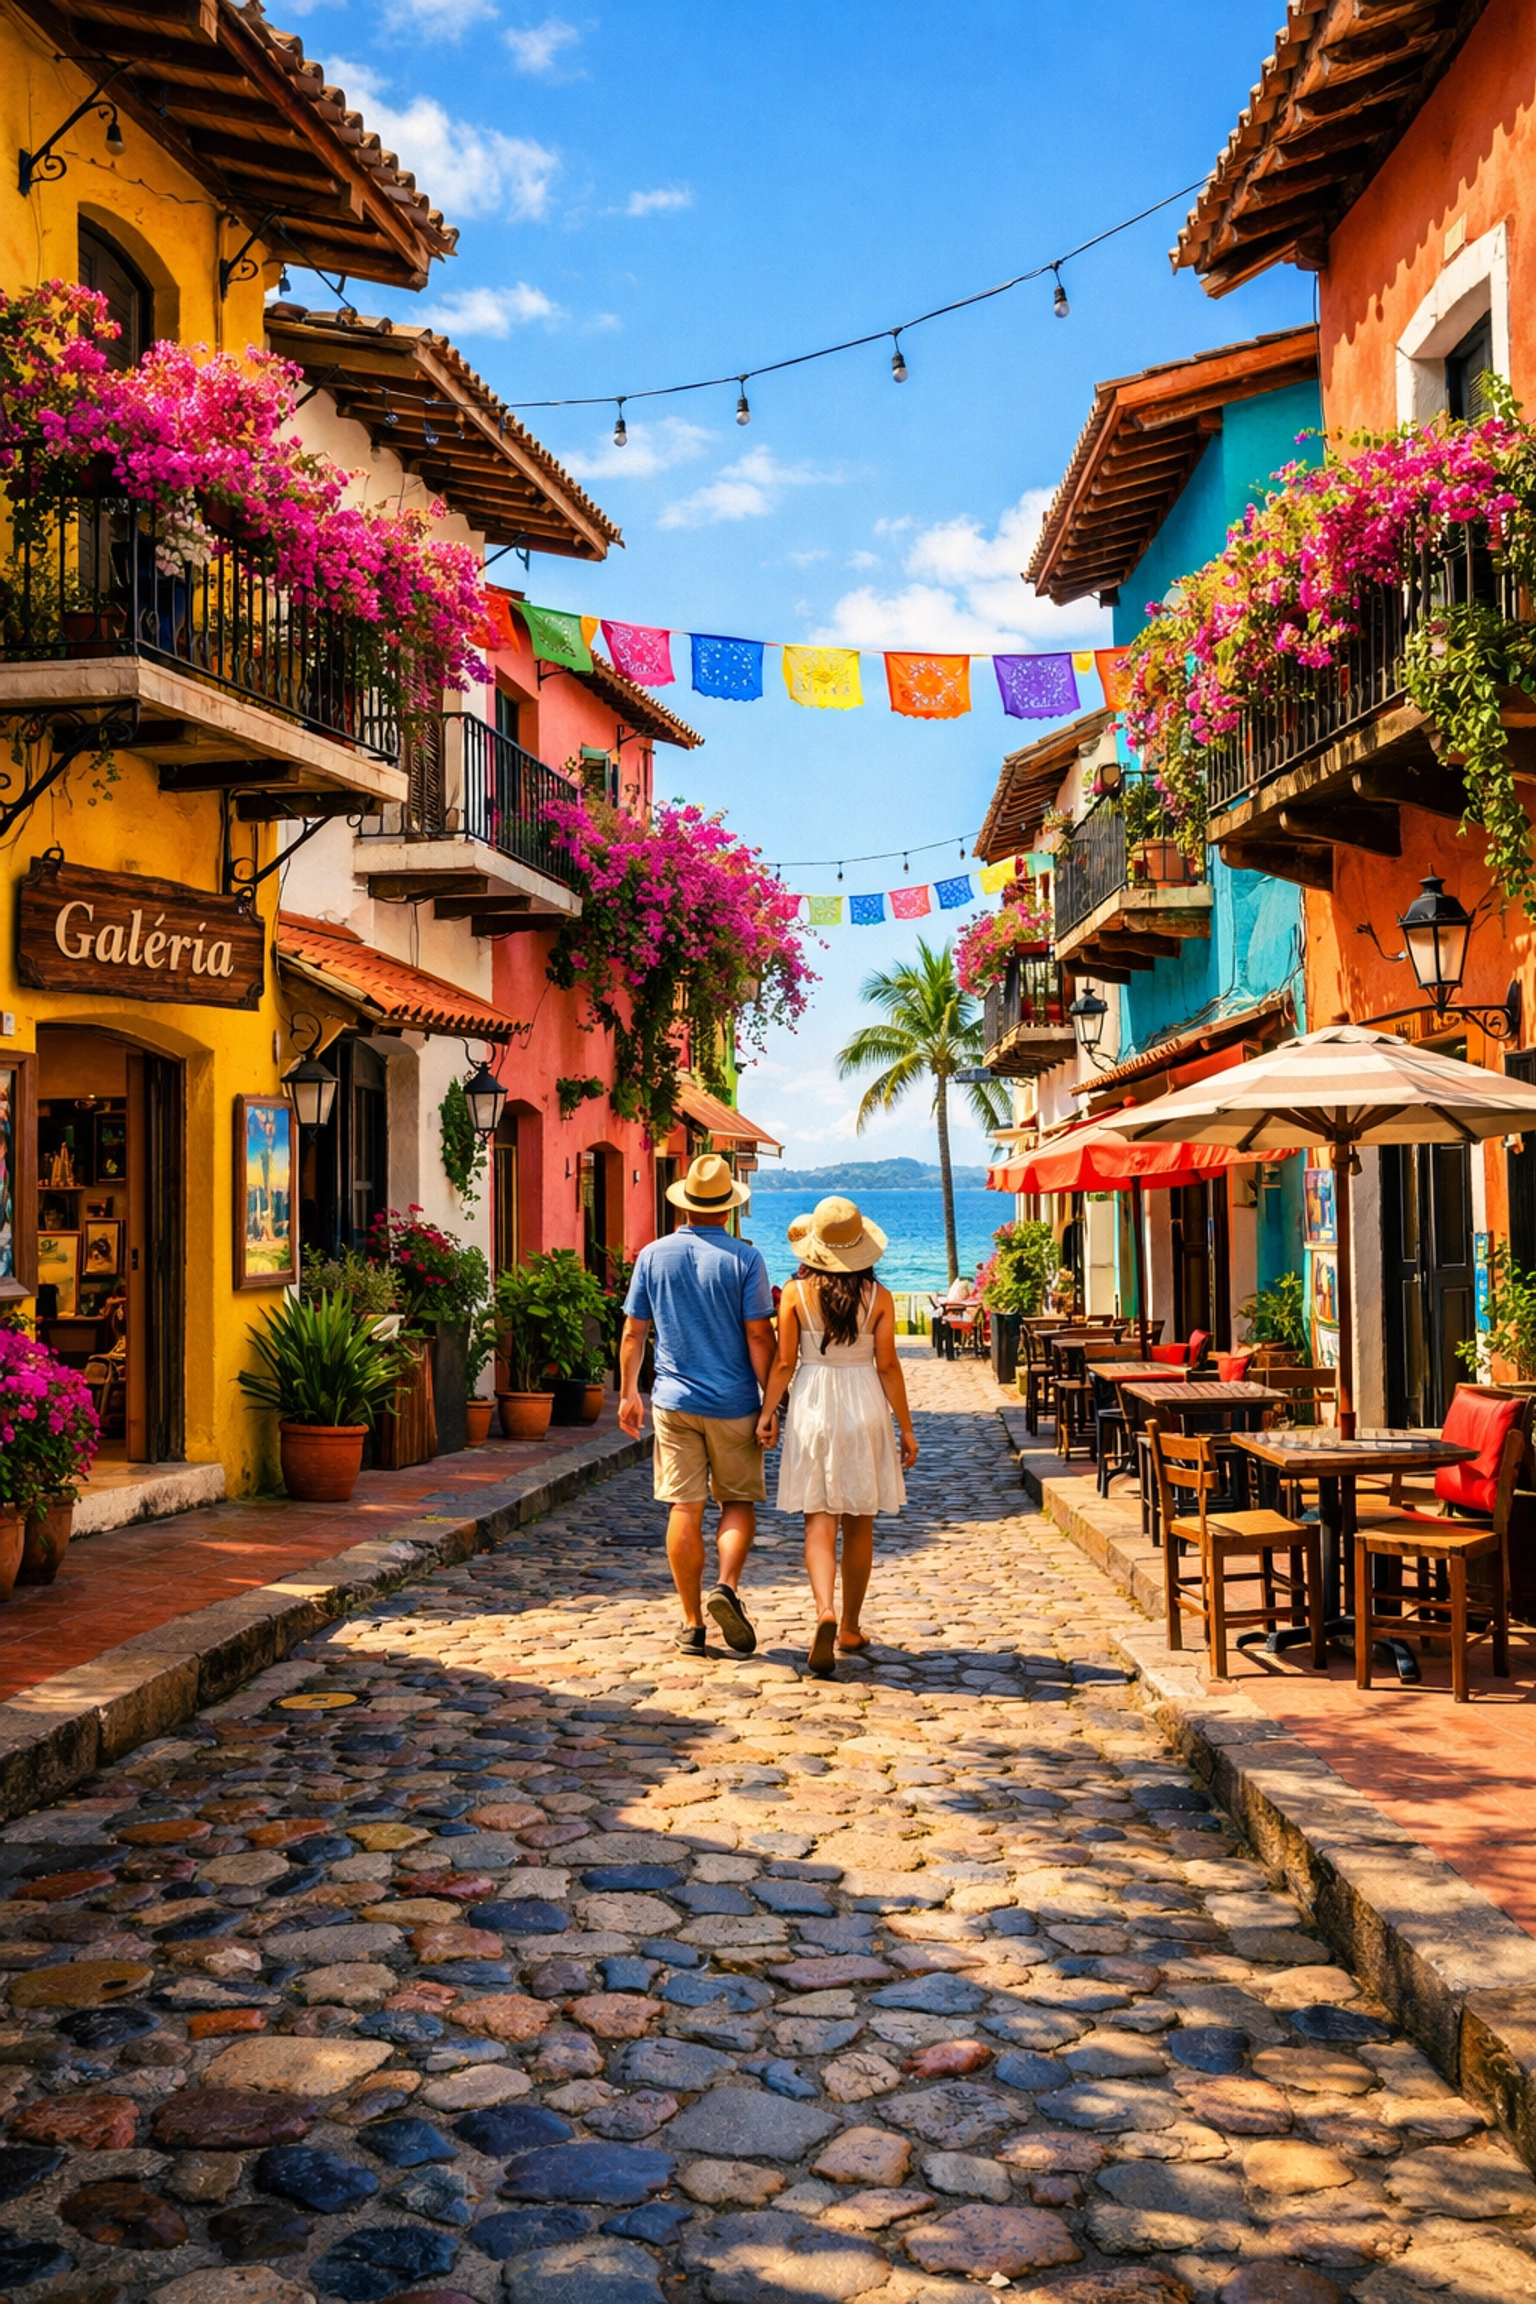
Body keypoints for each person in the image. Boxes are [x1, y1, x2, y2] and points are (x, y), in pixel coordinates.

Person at [618, 1152, 776, 1658]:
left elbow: (634, 1332)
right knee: (737, 1502)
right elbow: (759, 1336)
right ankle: (725, 1586)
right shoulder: (746, 1260)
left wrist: (628, 1393)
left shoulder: (652, 1256)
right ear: (728, 1208)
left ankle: (691, 1623)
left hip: (673, 1402)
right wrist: (772, 1402)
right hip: (735, 1403)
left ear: (683, 1206)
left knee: (684, 1507)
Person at [756, 1196, 918, 1679]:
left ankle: (824, 1609)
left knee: (819, 1521)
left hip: (813, 1403)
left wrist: (768, 1412)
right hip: (864, 1402)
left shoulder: (794, 1294)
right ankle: (849, 1627)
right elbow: (887, 1366)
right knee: (860, 1523)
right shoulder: (880, 1297)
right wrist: (906, 1427)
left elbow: (784, 1362)